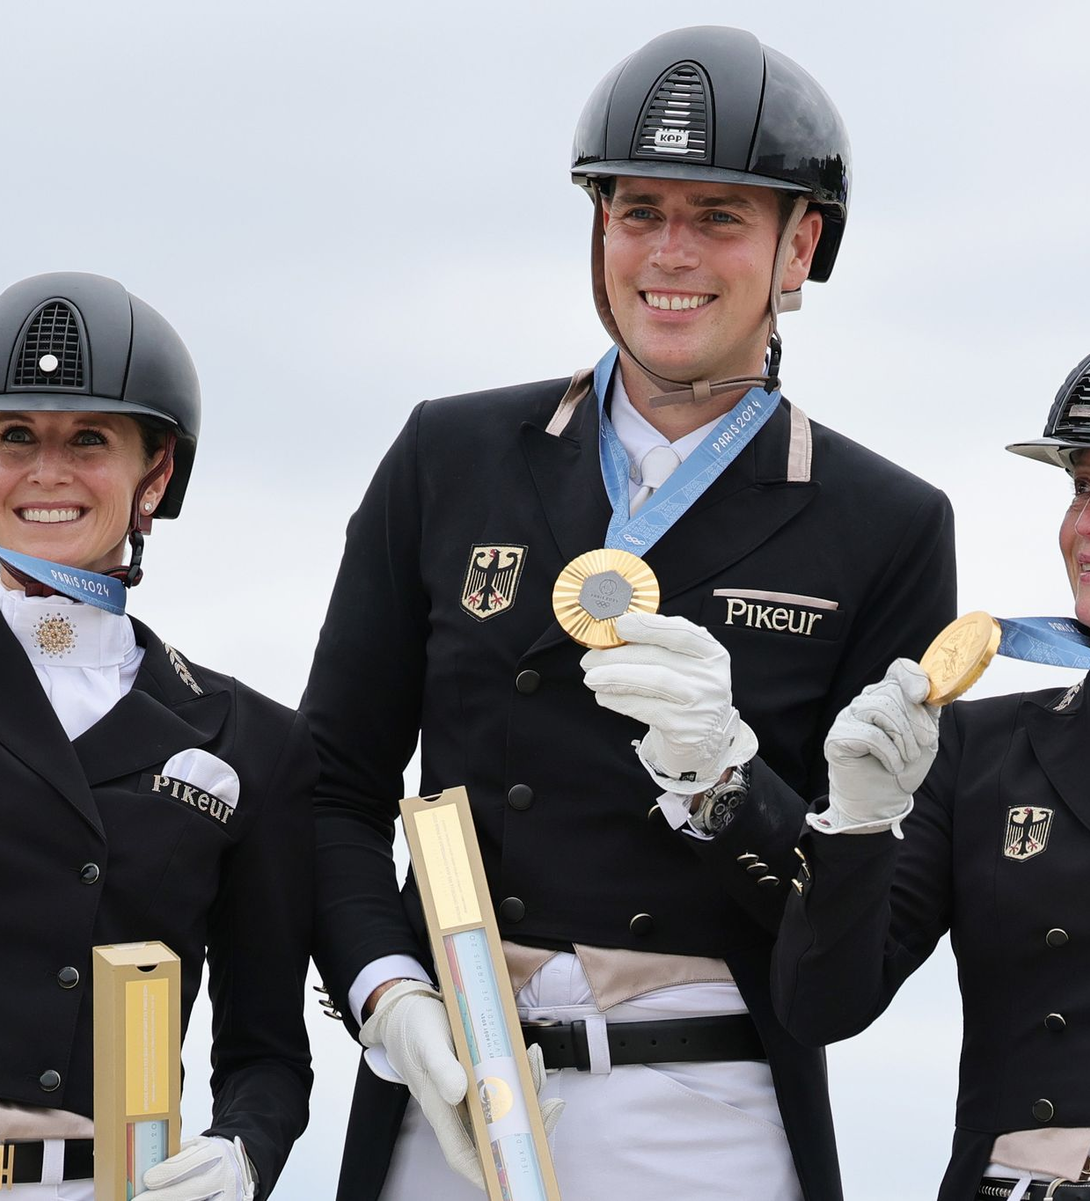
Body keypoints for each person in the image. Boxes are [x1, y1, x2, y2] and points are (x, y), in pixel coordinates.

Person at [304, 25, 955, 1201]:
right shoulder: (449, 454)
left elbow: (839, 980)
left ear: (799, 244)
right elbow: (333, 784)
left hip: (707, 1103)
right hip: (455, 1090)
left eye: (718, 216)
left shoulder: (888, 524)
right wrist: (382, 988)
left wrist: (728, 783)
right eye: (636, 209)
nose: (669, 252)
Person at [773, 318, 1090, 1201]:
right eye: (1082, 487)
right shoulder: (977, 742)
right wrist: (854, 823)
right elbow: (824, 1005)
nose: (1089, 523)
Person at [0, 273, 314, 1200]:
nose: (47, 472)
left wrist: (243, 1152)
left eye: (88, 439)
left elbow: (266, 1052)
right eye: (15, 436)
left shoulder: (252, 739)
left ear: (157, 470)